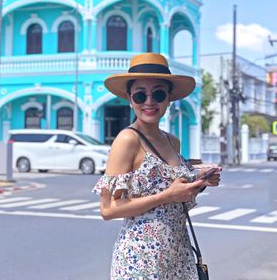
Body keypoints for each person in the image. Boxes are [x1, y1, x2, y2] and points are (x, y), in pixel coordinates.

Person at [92, 53, 221, 279]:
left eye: (158, 94)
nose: (149, 102)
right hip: (140, 258)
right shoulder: (127, 140)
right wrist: (167, 196)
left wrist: (200, 180)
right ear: (130, 99)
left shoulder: (173, 140)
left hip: (178, 252)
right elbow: (109, 209)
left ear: (169, 98)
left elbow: (172, 186)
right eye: (140, 95)